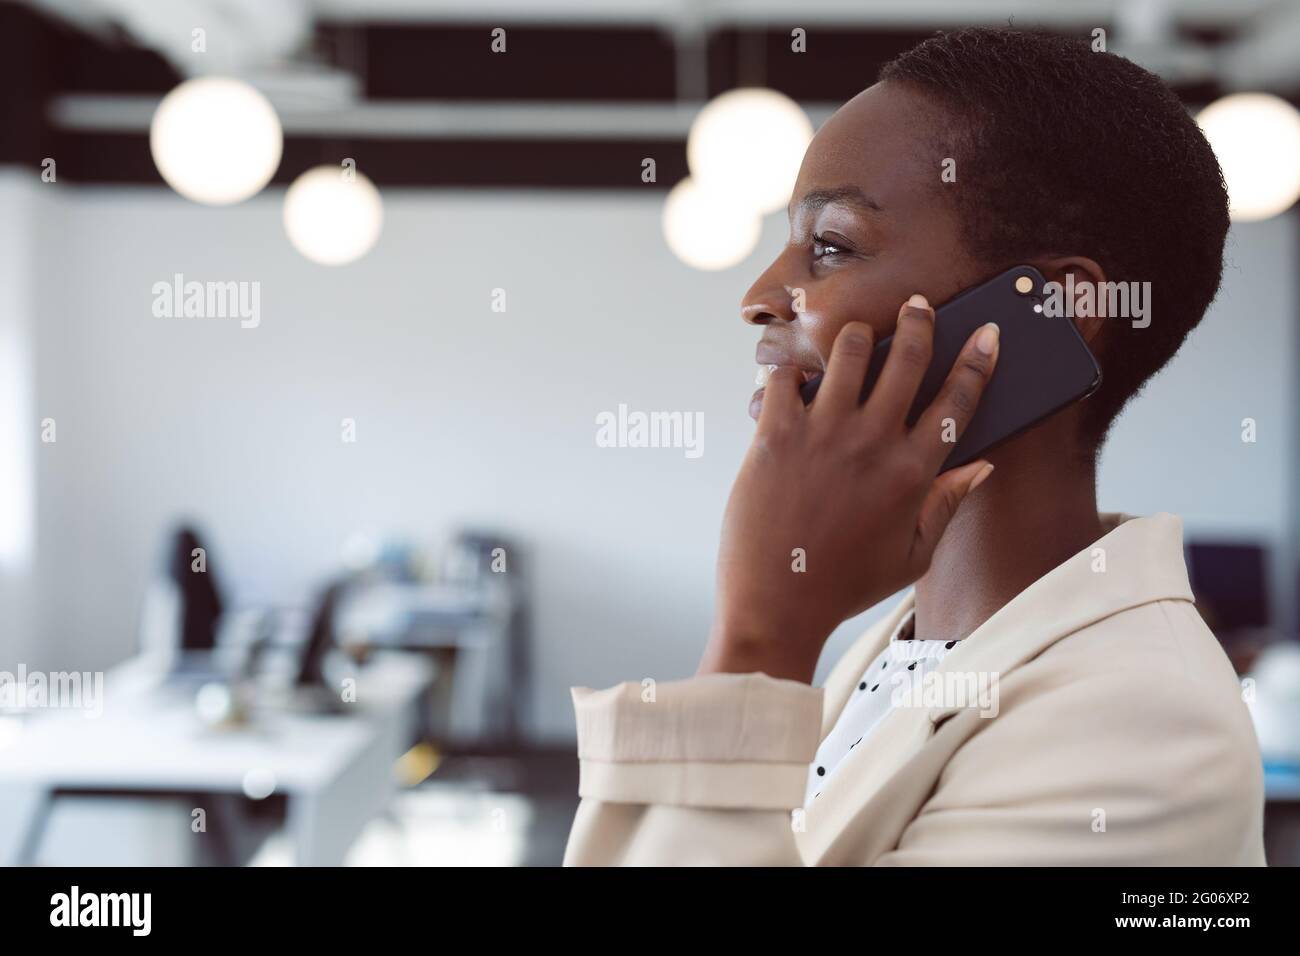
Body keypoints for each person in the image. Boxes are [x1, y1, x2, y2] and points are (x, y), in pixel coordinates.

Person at [563, 27, 1265, 866]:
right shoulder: (900, 644)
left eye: (830, 244)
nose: (757, 297)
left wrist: (760, 637)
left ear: (1054, 311)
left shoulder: (1143, 725)